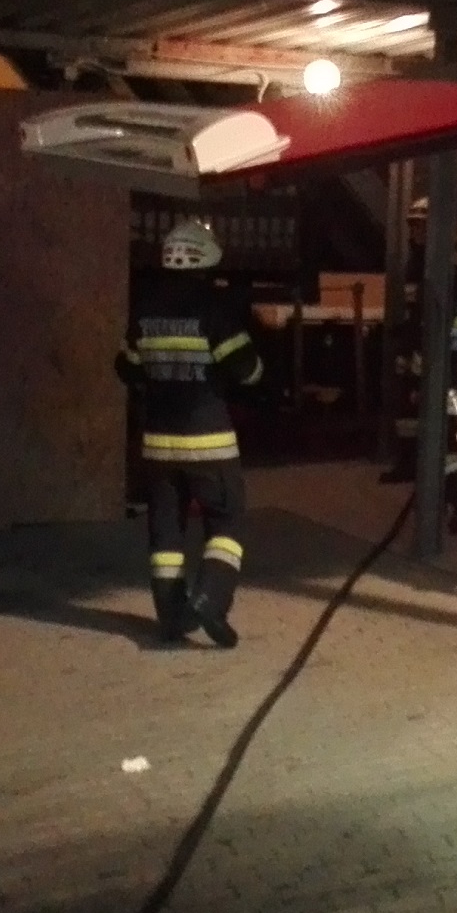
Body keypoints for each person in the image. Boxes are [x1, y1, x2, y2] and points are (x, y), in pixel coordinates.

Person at [118, 216, 262, 647]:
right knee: (227, 521)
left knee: (165, 532)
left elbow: (126, 368)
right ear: (209, 259)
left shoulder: (144, 310)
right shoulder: (215, 309)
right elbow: (246, 370)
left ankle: (170, 618)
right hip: (209, 442)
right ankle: (209, 601)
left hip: (158, 445)